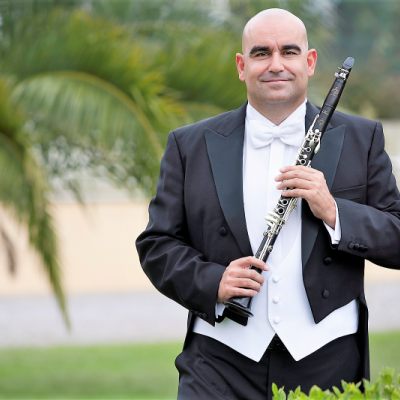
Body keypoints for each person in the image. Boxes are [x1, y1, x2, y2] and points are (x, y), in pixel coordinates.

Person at [136, 8, 400, 400]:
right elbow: (157, 244)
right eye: (261, 53)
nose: (276, 64)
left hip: (328, 359)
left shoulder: (363, 138)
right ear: (242, 66)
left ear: (310, 62)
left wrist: (334, 211)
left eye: (289, 52)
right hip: (219, 362)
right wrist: (213, 281)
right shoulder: (189, 145)